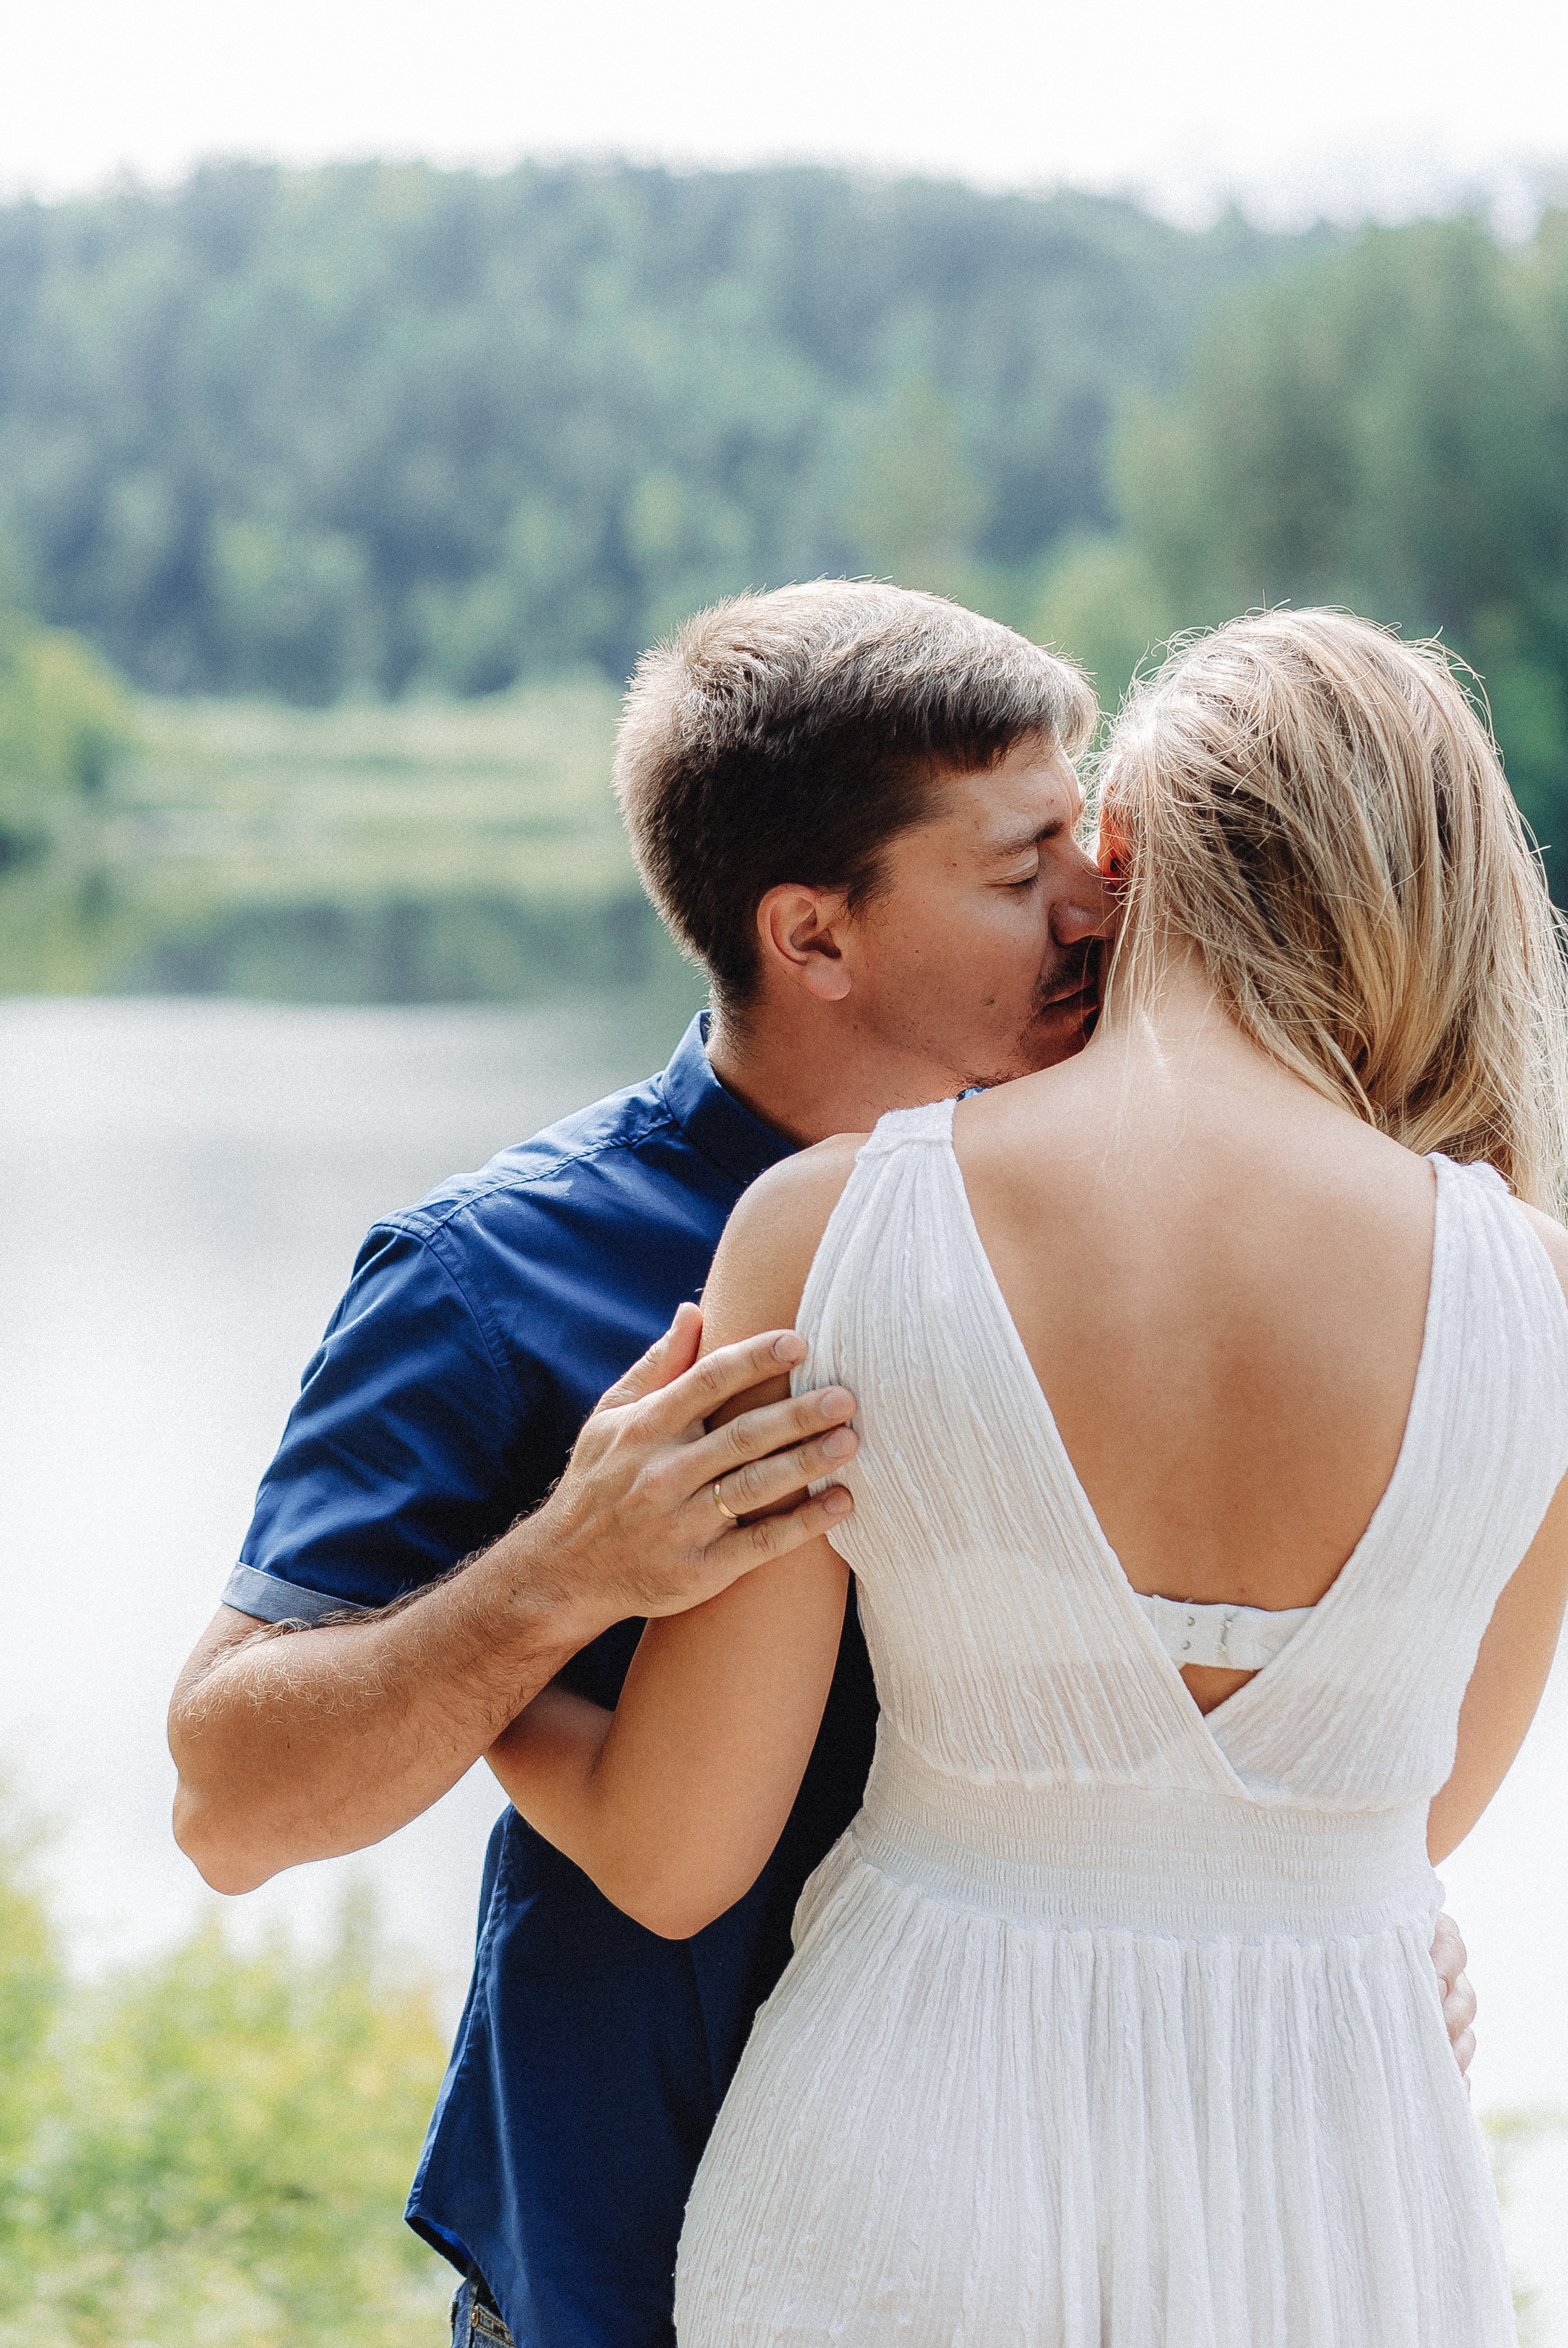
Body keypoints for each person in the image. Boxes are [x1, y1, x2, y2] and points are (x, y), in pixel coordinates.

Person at [166, 587, 1476, 2348]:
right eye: (1019, 872)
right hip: (627, 2261)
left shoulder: (1152, 1240)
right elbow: (228, 1805)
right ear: (814, 936)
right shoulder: (490, 1278)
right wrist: (564, 1571)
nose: (1101, 904)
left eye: (1087, 844)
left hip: (1056, 2272)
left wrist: (1350, 1913)